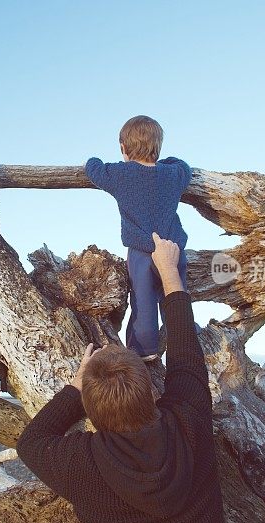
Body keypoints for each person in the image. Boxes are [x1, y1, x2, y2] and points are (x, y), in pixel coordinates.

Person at [16, 233, 226, 523]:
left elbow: (31, 442)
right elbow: (185, 353)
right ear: (149, 393)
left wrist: (77, 388)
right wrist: (168, 272)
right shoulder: (189, 421)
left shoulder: (80, 462)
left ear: (90, 409)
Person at [84, 115, 192, 359]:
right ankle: (184, 343)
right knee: (176, 296)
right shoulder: (173, 174)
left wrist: (93, 158)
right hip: (173, 249)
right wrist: (167, 161)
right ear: (158, 146)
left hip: (141, 252)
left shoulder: (121, 174)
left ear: (123, 147)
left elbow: (93, 169)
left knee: (142, 303)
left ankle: (144, 350)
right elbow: (184, 166)